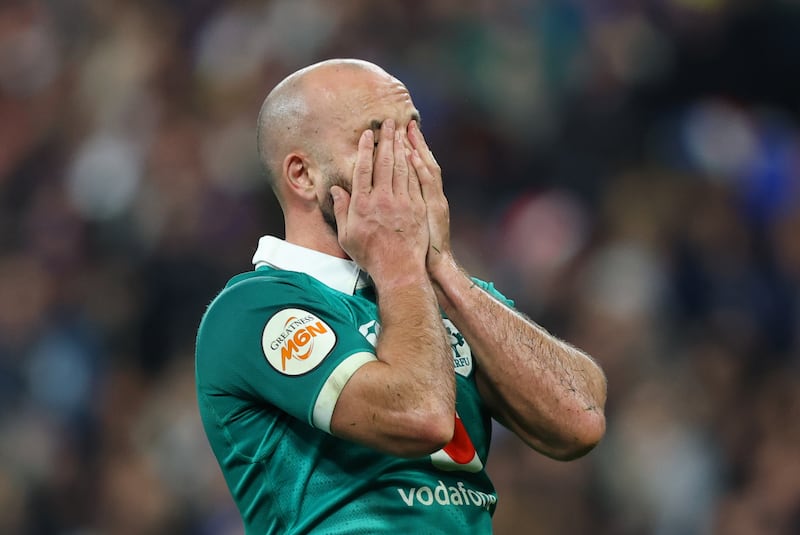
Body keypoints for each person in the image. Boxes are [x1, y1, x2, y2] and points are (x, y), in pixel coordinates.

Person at [195, 58, 607, 534]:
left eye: (413, 134)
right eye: (377, 139)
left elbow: (580, 419)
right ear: (302, 175)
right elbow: (420, 416)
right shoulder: (252, 310)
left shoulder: (436, 289)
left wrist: (442, 270)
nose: (410, 159)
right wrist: (401, 266)